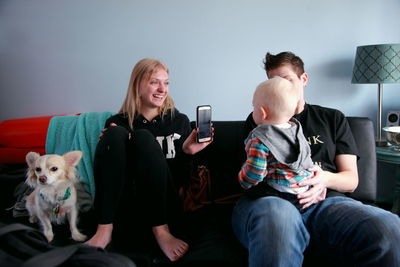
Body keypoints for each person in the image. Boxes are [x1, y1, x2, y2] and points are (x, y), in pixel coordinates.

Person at [231, 51, 400, 266]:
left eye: (287, 80)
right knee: (279, 222)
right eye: (273, 82)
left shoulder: (332, 118)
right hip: (271, 202)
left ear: (304, 79)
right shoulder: (259, 123)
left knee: (389, 227)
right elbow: (249, 179)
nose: (280, 87)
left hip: (325, 203)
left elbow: (351, 180)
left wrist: (323, 180)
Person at [85, 58, 212, 262]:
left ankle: (162, 231)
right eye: (155, 82)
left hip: (165, 205)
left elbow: (181, 183)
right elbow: (107, 173)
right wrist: (111, 144)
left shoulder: (178, 122)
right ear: (137, 85)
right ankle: (104, 228)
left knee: (142, 137)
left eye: (166, 82)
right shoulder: (117, 123)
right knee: (116, 135)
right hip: (126, 205)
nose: (163, 89)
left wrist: (187, 152)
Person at [239, 77, 320, 210]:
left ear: (263, 113)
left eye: (254, 107)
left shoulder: (259, 137)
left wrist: (244, 180)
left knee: (254, 192)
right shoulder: (295, 128)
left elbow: (256, 172)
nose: (253, 110)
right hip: (304, 189)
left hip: (281, 193)